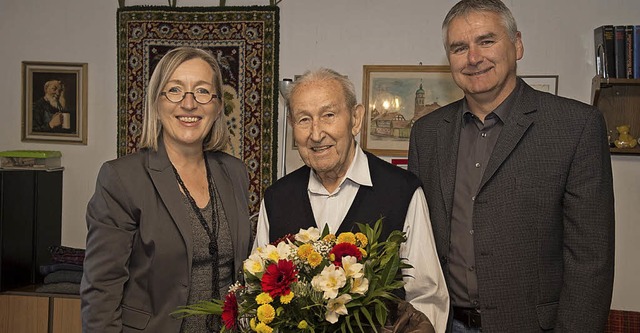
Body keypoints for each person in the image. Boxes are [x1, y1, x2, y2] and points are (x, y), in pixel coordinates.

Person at [408, 1, 615, 332]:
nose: (473, 58)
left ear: (517, 44)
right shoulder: (427, 133)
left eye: (486, 41)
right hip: (444, 324)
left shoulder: (575, 126)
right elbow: (416, 238)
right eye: (459, 47)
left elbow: (591, 261)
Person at [253, 68, 450, 332]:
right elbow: (257, 293)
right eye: (303, 120)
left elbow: (427, 298)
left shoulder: (402, 191)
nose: (316, 133)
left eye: (329, 115)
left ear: (355, 119)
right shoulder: (276, 198)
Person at [81, 47, 252, 333]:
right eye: (175, 90)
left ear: (218, 106)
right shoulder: (122, 178)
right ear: (157, 104)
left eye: (202, 92)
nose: (189, 104)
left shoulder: (234, 172)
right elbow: (101, 290)